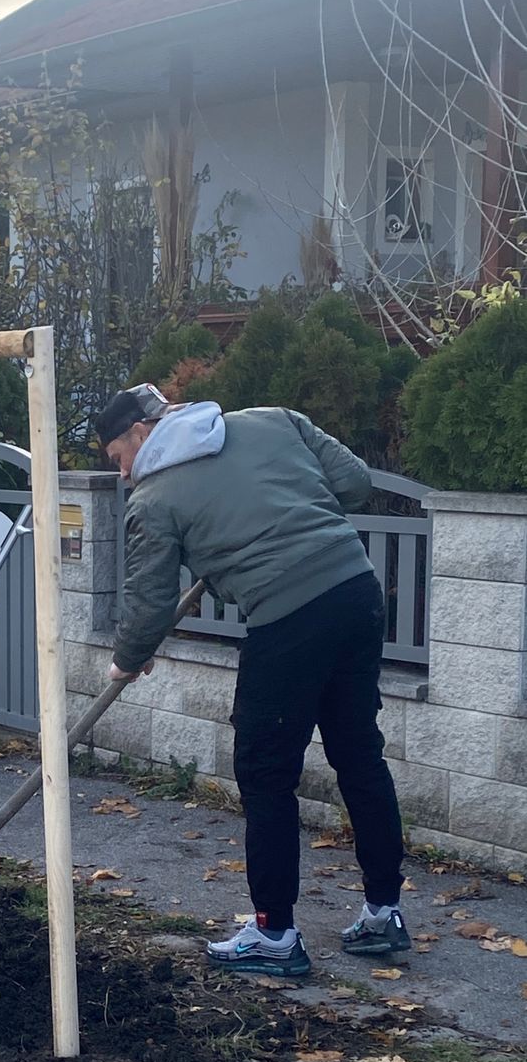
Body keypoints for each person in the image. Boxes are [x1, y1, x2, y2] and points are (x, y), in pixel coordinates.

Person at [99, 383, 409, 978]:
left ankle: (273, 933)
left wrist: (126, 658)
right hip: (355, 592)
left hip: (288, 618)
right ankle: (383, 913)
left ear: (141, 433)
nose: (121, 474)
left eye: (118, 458)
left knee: (265, 773)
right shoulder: (273, 417)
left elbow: (149, 599)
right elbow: (353, 484)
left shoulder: (156, 497)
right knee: (359, 755)